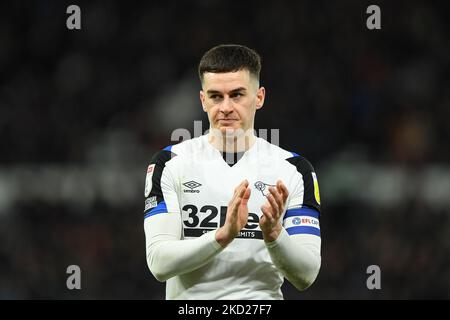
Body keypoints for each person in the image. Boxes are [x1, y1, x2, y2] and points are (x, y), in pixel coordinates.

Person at [143, 44, 322, 299]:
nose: (226, 107)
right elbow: (159, 264)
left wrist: (274, 235)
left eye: (237, 94)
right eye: (216, 96)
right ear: (203, 100)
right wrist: (222, 236)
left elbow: (307, 274)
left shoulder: (293, 169)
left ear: (259, 97)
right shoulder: (170, 163)